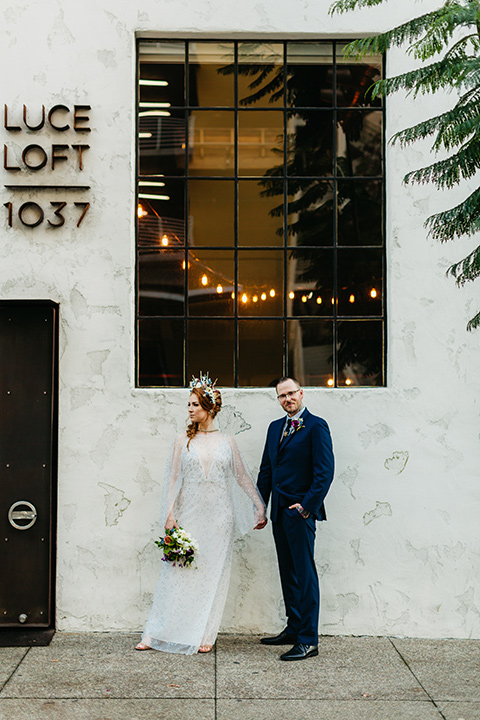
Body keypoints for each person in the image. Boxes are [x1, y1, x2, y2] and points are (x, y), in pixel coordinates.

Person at [136, 373, 267, 654]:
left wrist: (258, 505)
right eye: (189, 404)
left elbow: (241, 476)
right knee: (176, 573)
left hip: (220, 518)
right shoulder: (181, 439)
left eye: (195, 404)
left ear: (209, 408)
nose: (190, 409)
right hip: (189, 514)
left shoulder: (228, 441)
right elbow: (172, 479)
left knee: (212, 576)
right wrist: (169, 515)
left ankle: (205, 633)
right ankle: (153, 633)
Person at [257, 376, 334, 661]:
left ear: (301, 394)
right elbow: (267, 470)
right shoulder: (275, 428)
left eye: (291, 394)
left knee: (304, 574)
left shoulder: (316, 426)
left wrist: (306, 507)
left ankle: (308, 640)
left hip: (300, 513)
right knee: (287, 572)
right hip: (279, 512)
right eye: (281, 396)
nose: (287, 399)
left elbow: (324, 472)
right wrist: (260, 506)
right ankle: (293, 628)